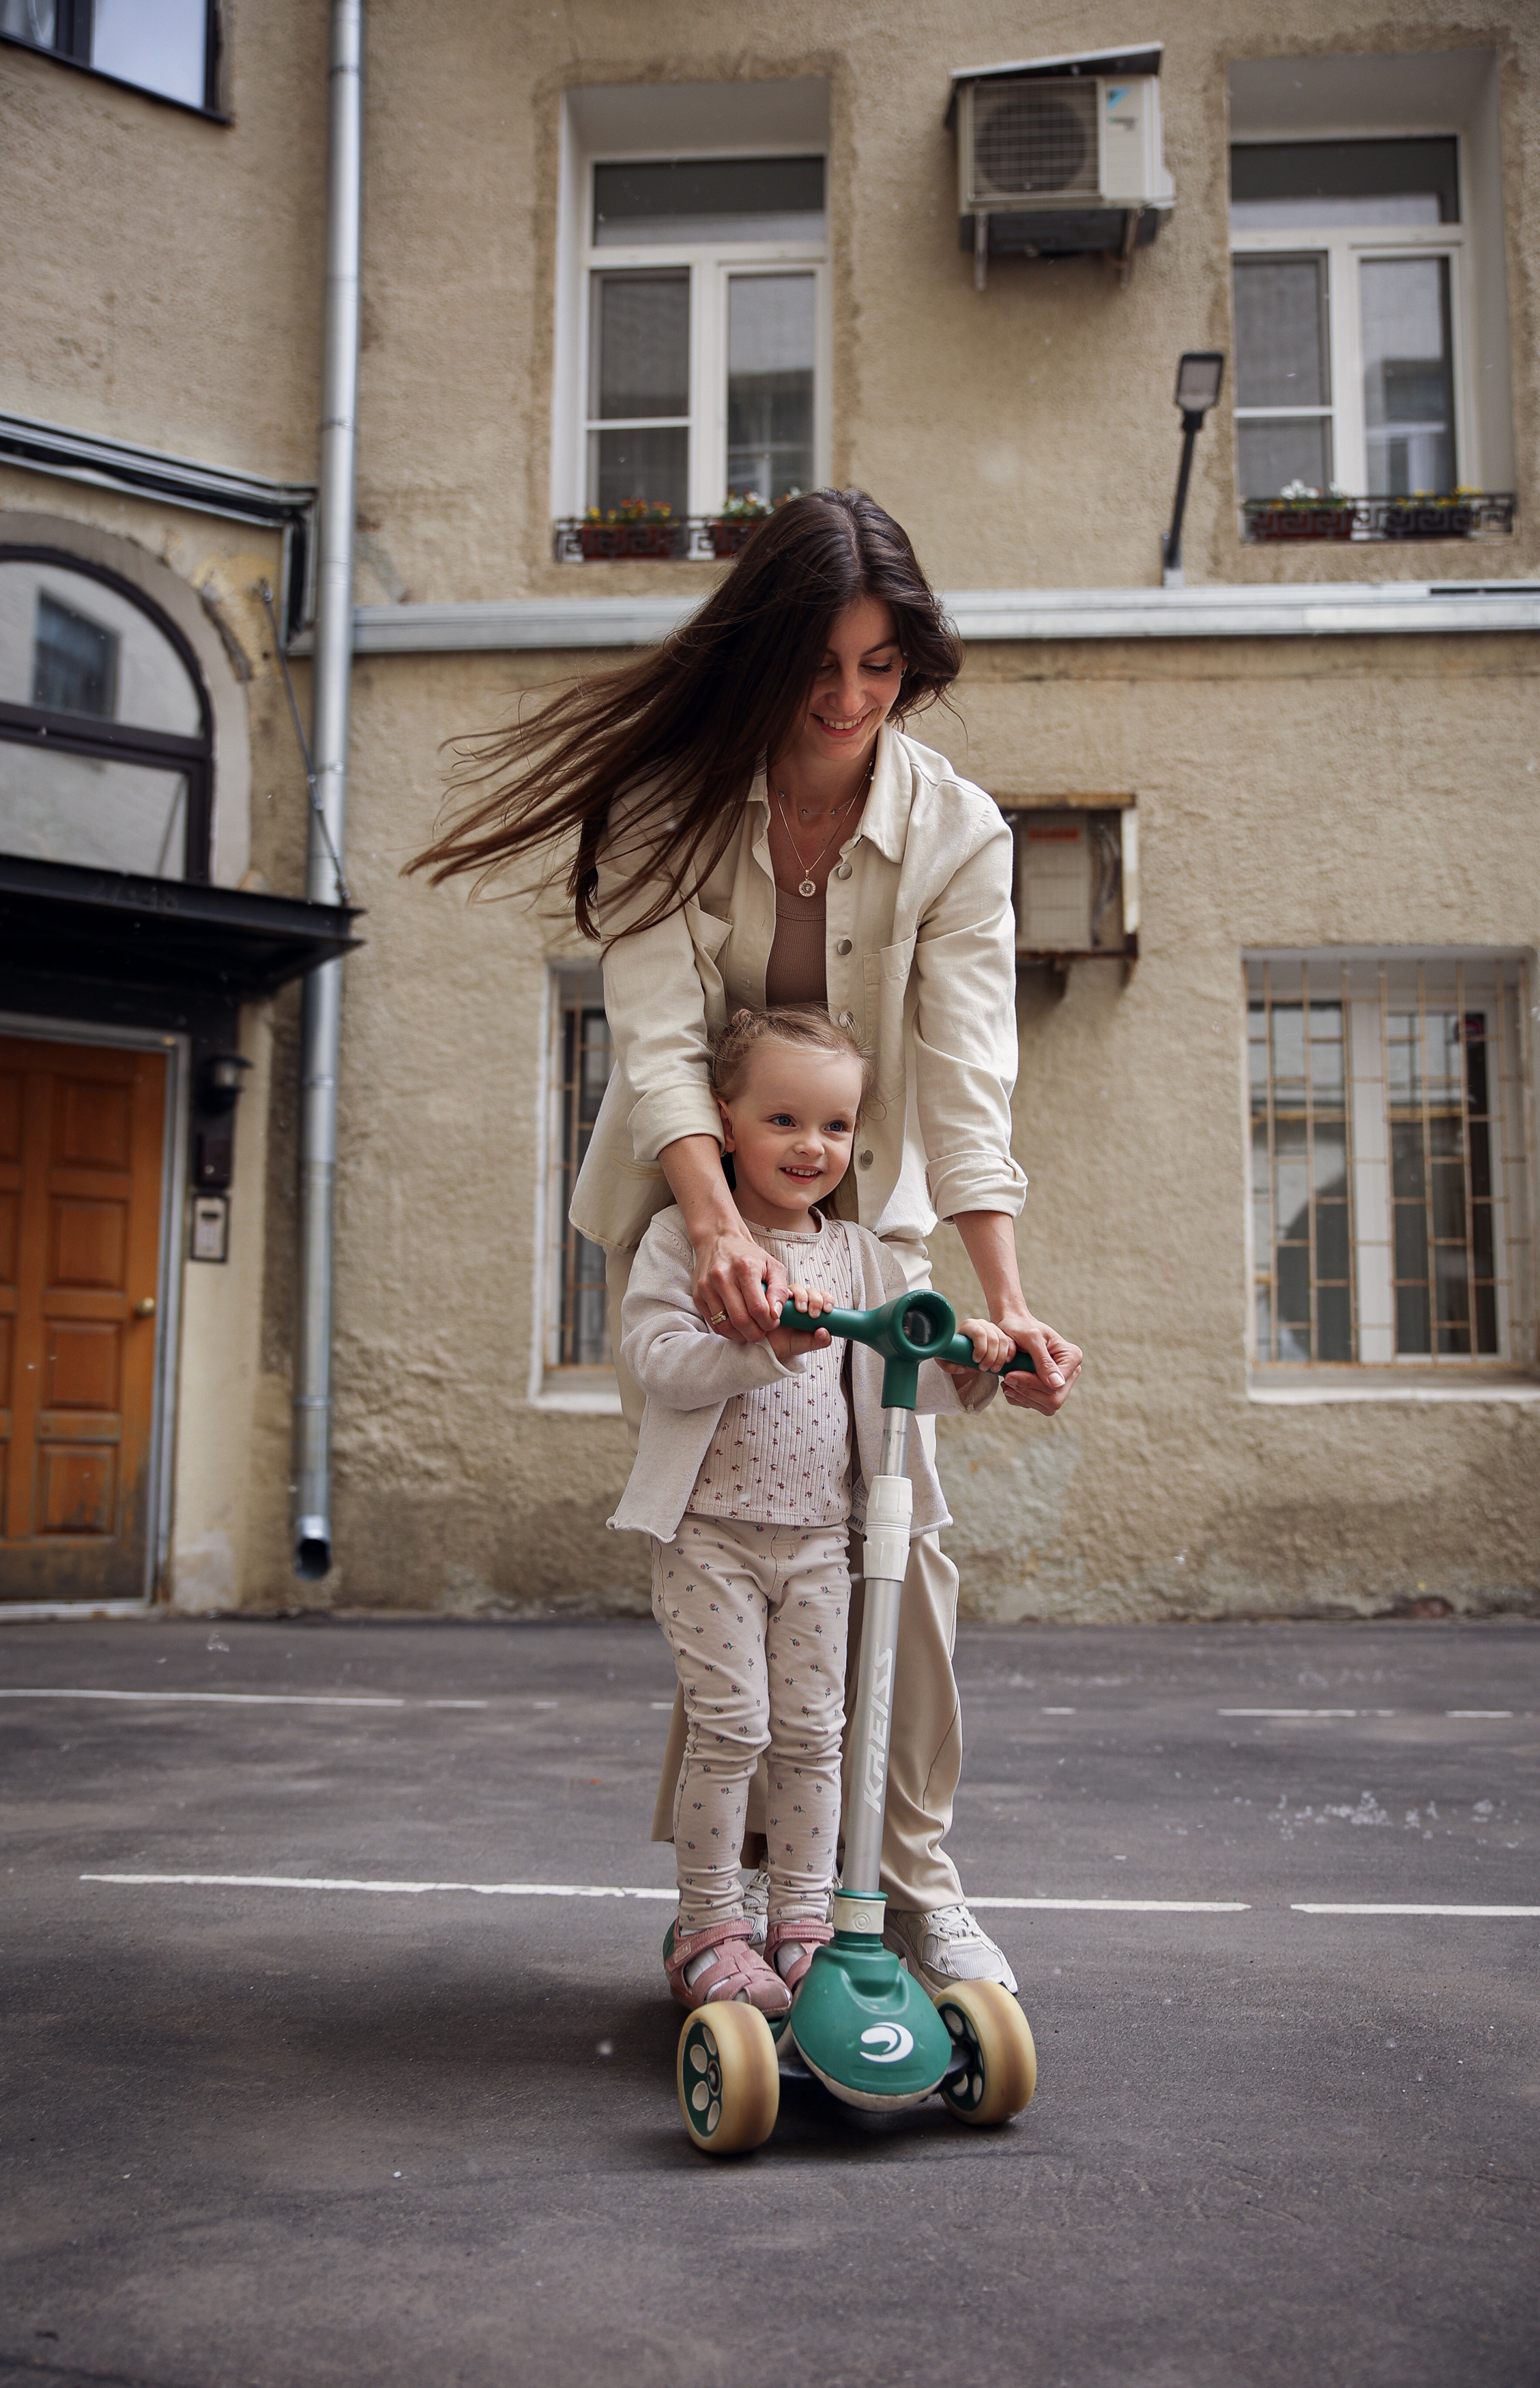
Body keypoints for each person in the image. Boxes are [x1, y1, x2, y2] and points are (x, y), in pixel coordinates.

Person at [409, 485, 1082, 1998]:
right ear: (760, 653)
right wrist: (716, 1236)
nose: (847, 700)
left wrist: (1009, 1305)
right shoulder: (671, 796)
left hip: (859, 1238)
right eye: (817, 665)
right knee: (731, 1536)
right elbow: (653, 1043)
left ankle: (898, 1883)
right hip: (682, 1218)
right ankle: (732, 1900)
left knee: (895, 1546)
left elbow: (971, 1086)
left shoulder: (957, 832)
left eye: (880, 668)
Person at [613, 1006, 1013, 2013]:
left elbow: (898, 1375)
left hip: (822, 1543)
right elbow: (657, 1362)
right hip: (710, 1538)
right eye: (783, 1119)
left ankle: (801, 1921)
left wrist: (975, 1361)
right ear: (724, 1121)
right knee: (732, 1729)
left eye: (834, 1127)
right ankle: (708, 1928)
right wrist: (760, 1346)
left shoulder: (865, 1257)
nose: (811, 1147)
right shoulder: (683, 1239)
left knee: (814, 1733)